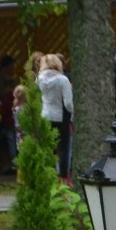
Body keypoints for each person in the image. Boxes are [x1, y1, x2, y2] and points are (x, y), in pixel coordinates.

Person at [38, 53, 74, 181]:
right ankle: (63, 178)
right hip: (61, 118)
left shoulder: (40, 79)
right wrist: (73, 114)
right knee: (63, 149)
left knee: (48, 148)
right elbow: (68, 104)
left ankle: (49, 176)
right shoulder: (63, 80)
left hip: (45, 116)